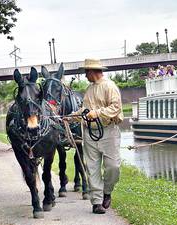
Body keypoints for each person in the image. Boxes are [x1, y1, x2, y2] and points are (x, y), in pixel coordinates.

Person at [70, 59, 123, 214]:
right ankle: (97, 202)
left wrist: (98, 112)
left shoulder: (109, 86)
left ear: (92, 71)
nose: (85, 75)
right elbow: (84, 111)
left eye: (86, 72)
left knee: (113, 167)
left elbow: (116, 107)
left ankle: (107, 191)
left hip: (108, 131)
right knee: (92, 169)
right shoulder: (89, 89)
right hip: (90, 133)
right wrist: (70, 117)